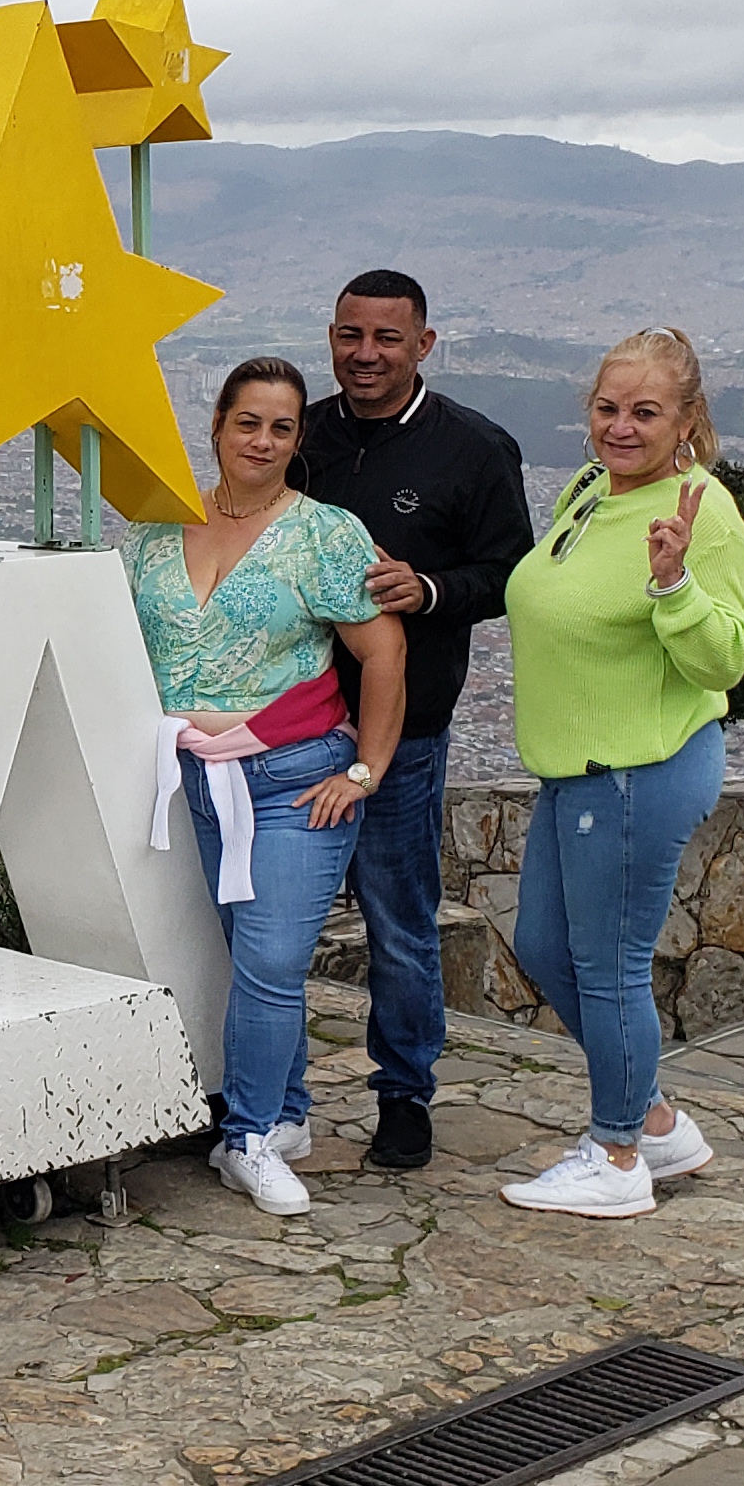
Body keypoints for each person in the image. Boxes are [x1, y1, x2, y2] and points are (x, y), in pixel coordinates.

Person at [126, 358, 407, 1218]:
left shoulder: (325, 534)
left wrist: (367, 770)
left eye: (282, 427)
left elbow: (383, 652)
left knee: (274, 961)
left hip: (294, 776)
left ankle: (244, 1136)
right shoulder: (157, 524)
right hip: (193, 782)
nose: (263, 440)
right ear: (217, 426)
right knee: (250, 964)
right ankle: (286, 1115)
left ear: (299, 439)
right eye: (249, 422)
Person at [497, 326, 744, 1219]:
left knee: (608, 965)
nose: (622, 427)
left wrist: (674, 586)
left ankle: (615, 1157)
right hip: (576, 766)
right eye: (608, 408)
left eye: (646, 411)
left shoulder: (701, 509)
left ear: (688, 419)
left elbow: (727, 660)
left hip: (638, 767)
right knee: (540, 946)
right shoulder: (588, 489)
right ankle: (658, 1123)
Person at [289, 268, 531, 1170]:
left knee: (398, 921)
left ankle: (404, 1097)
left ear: (423, 345)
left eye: (387, 339)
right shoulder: (299, 434)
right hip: (289, 722)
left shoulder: (472, 447)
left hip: (407, 732)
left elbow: (510, 574)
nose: (366, 355)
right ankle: (265, 1091)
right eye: (351, 335)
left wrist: (426, 590)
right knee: (267, 918)